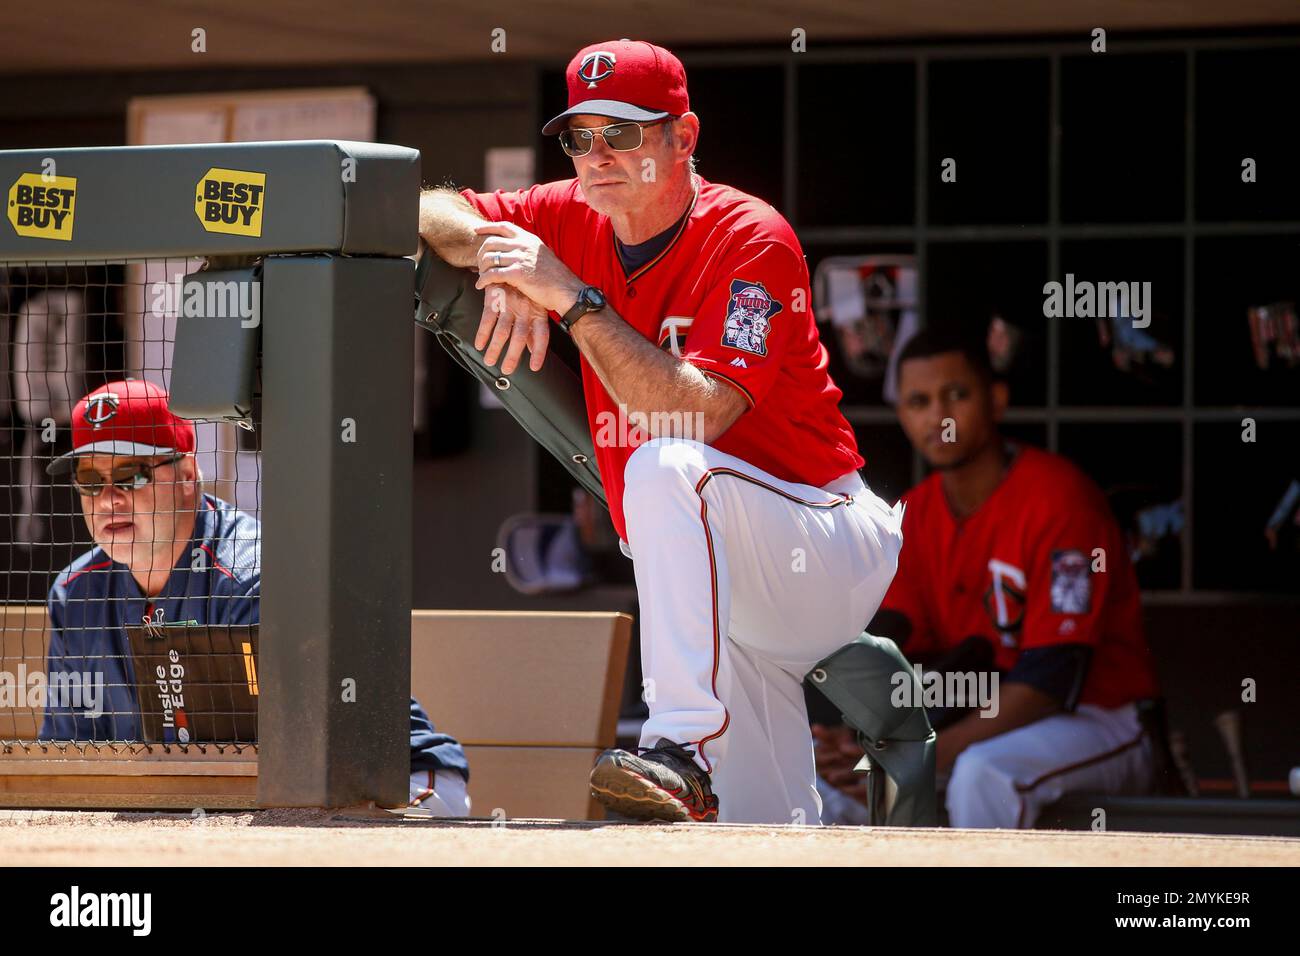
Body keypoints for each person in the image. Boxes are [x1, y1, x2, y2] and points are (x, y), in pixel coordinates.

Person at [418, 39, 902, 824]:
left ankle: (677, 747)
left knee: (666, 464)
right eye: (580, 136)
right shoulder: (565, 215)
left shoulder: (752, 237)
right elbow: (424, 208)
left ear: (684, 136)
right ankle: (719, 780)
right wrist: (498, 262)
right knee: (760, 829)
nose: (598, 155)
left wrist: (567, 295)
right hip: (721, 595)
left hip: (819, 543)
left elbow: (704, 412)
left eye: (625, 131)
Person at [40, 379, 471, 816]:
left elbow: (274, 762)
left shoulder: (256, 576)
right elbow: (65, 757)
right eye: (90, 480)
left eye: (130, 475)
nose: (108, 500)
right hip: (232, 806)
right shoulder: (76, 594)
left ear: (188, 475)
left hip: (397, 786)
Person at [816, 330, 1160, 828]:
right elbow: (885, 640)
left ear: (996, 399)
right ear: (904, 418)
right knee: (819, 776)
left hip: (1099, 717)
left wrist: (922, 753)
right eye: (919, 401)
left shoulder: (1060, 501)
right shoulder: (916, 513)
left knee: (983, 773)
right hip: (973, 710)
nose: (939, 416)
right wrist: (844, 734)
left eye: (956, 395)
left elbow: (1052, 680)